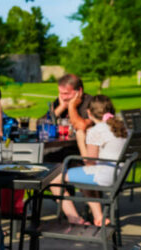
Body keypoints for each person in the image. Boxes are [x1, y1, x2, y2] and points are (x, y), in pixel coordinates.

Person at [49, 95, 128, 226]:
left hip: (105, 176)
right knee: (80, 175)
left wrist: (81, 138)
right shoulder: (122, 128)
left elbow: (89, 162)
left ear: (89, 113)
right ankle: (99, 218)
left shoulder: (97, 131)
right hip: (120, 174)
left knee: (53, 178)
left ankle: (74, 218)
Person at [50, 74, 92, 156]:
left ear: (79, 91)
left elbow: (81, 126)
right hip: (64, 148)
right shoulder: (61, 101)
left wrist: (71, 106)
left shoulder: (91, 103)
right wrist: (61, 108)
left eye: (66, 93)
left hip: (83, 151)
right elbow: (40, 124)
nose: (64, 97)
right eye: (61, 93)